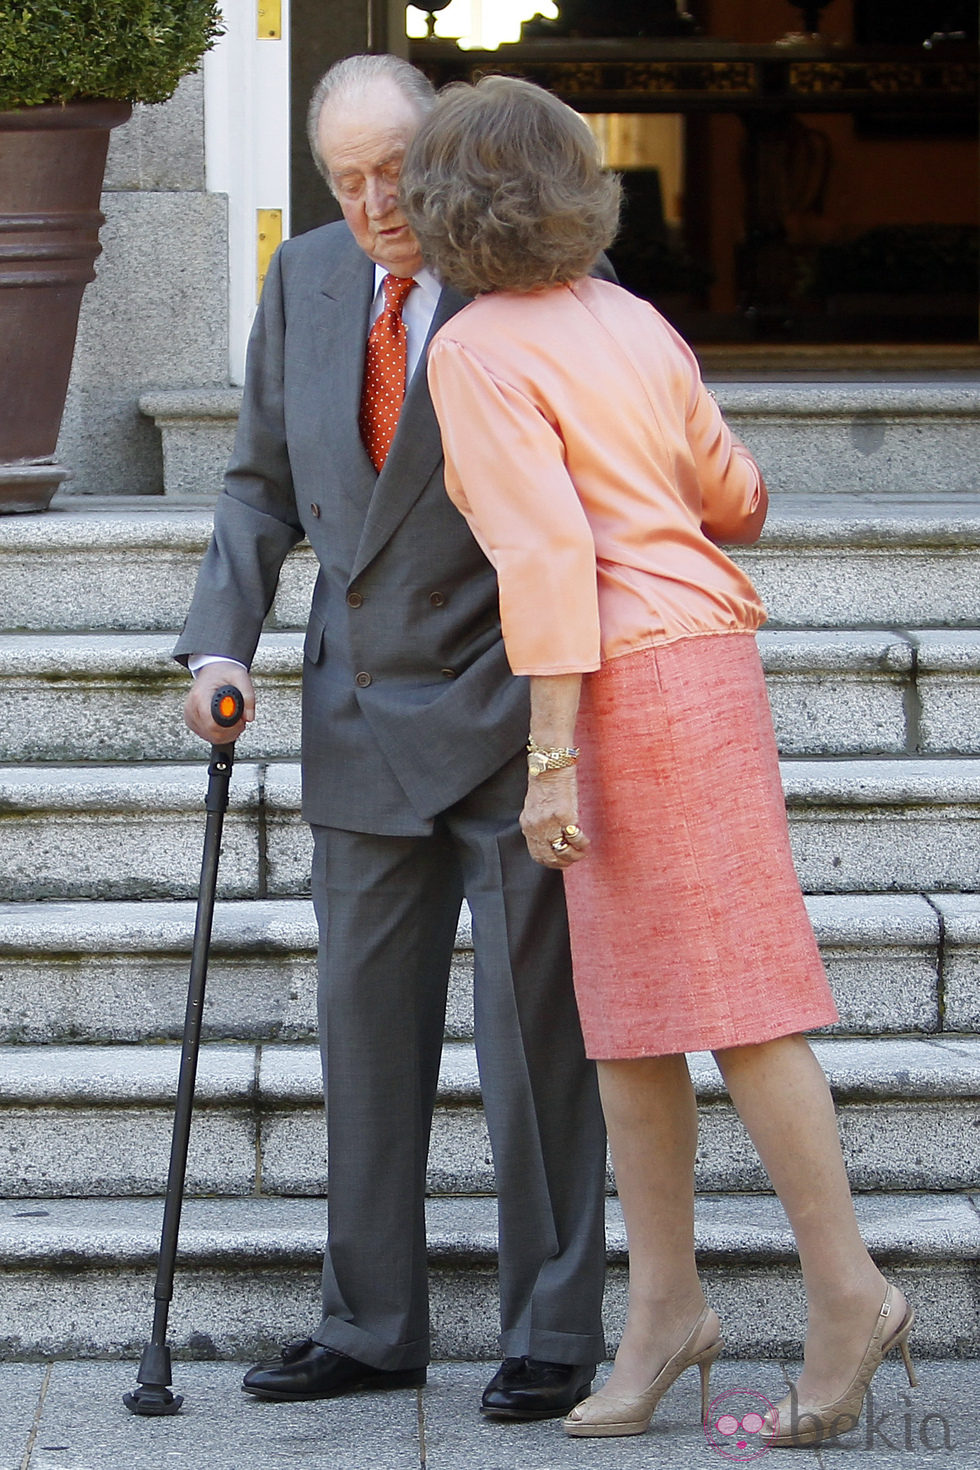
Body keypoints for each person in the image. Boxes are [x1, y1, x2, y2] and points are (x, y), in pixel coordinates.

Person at [400, 74, 917, 1447]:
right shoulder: (633, 317)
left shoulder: (472, 350)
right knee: (631, 1023)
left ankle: (846, 1289)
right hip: (696, 666)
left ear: (446, 202)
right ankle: (666, 1310)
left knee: (740, 1007)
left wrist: (552, 758)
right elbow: (737, 496)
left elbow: (550, 558)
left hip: (626, 688)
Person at [174, 54, 608, 1420]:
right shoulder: (303, 281)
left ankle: (554, 1323)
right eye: (346, 179)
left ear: (448, 153)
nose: (375, 204)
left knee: (531, 1039)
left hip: (501, 703)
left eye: (395, 171)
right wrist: (219, 639)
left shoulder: (522, 274)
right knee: (366, 1033)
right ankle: (369, 1319)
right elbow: (257, 488)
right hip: (357, 711)